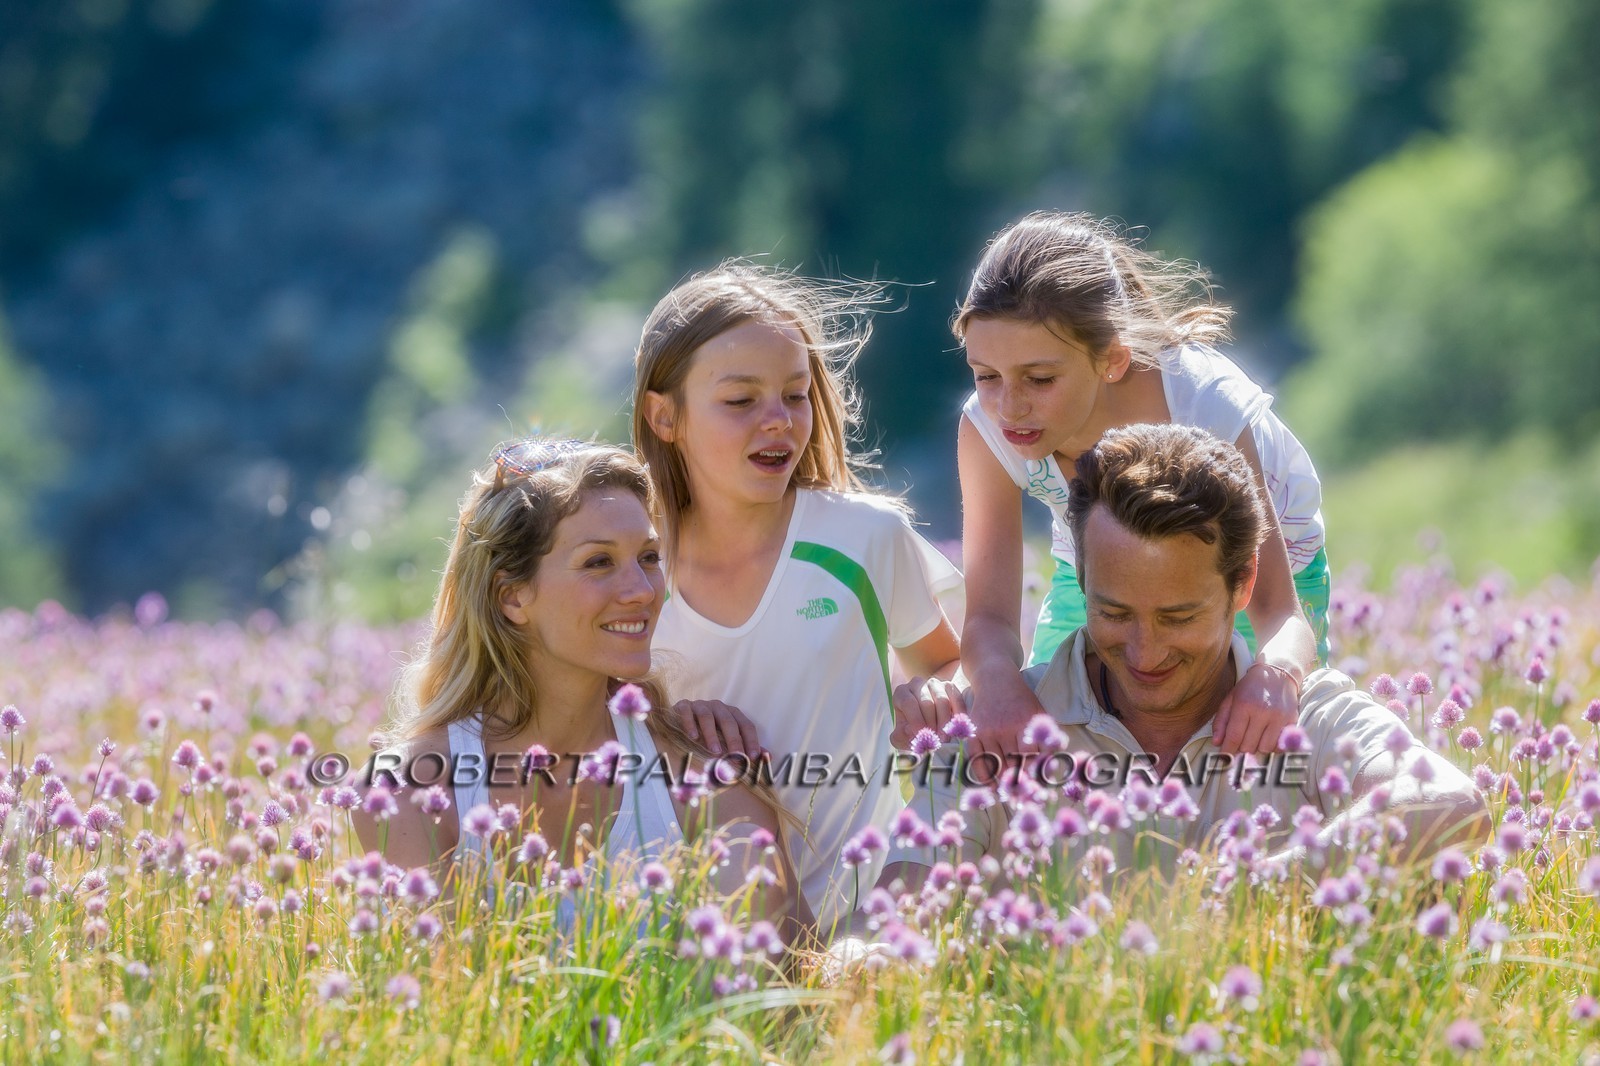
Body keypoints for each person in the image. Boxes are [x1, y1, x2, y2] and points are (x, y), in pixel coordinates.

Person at [886, 424, 1487, 877]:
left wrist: (1252, 895)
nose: (1145, 651)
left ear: (1244, 584)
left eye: (1179, 617)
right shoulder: (1004, 726)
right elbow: (901, 899)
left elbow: (1449, 805)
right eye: (1114, 613)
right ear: (1081, 579)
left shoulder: (1307, 714)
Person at [353, 439, 807, 944]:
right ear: (513, 596)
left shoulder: (703, 769)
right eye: (598, 563)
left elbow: (799, 973)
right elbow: (442, 1003)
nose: (640, 589)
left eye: (650, 557)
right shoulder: (407, 792)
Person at [632, 262, 963, 936]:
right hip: (701, 927)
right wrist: (668, 727)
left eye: (795, 394)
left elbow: (947, 664)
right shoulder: (628, 567)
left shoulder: (866, 537)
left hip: (871, 913)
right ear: (665, 416)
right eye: (741, 401)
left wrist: (934, 695)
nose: (778, 421)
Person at [953, 212, 1327, 772]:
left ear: (1112, 358)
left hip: (1247, 578)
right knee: (1049, 756)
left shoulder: (1207, 404)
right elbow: (989, 619)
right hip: (1103, 570)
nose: (1010, 406)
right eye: (986, 376)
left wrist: (1275, 679)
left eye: (1040, 378)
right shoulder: (987, 431)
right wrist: (999, 683)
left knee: (1249, 758)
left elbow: (1279, 611)